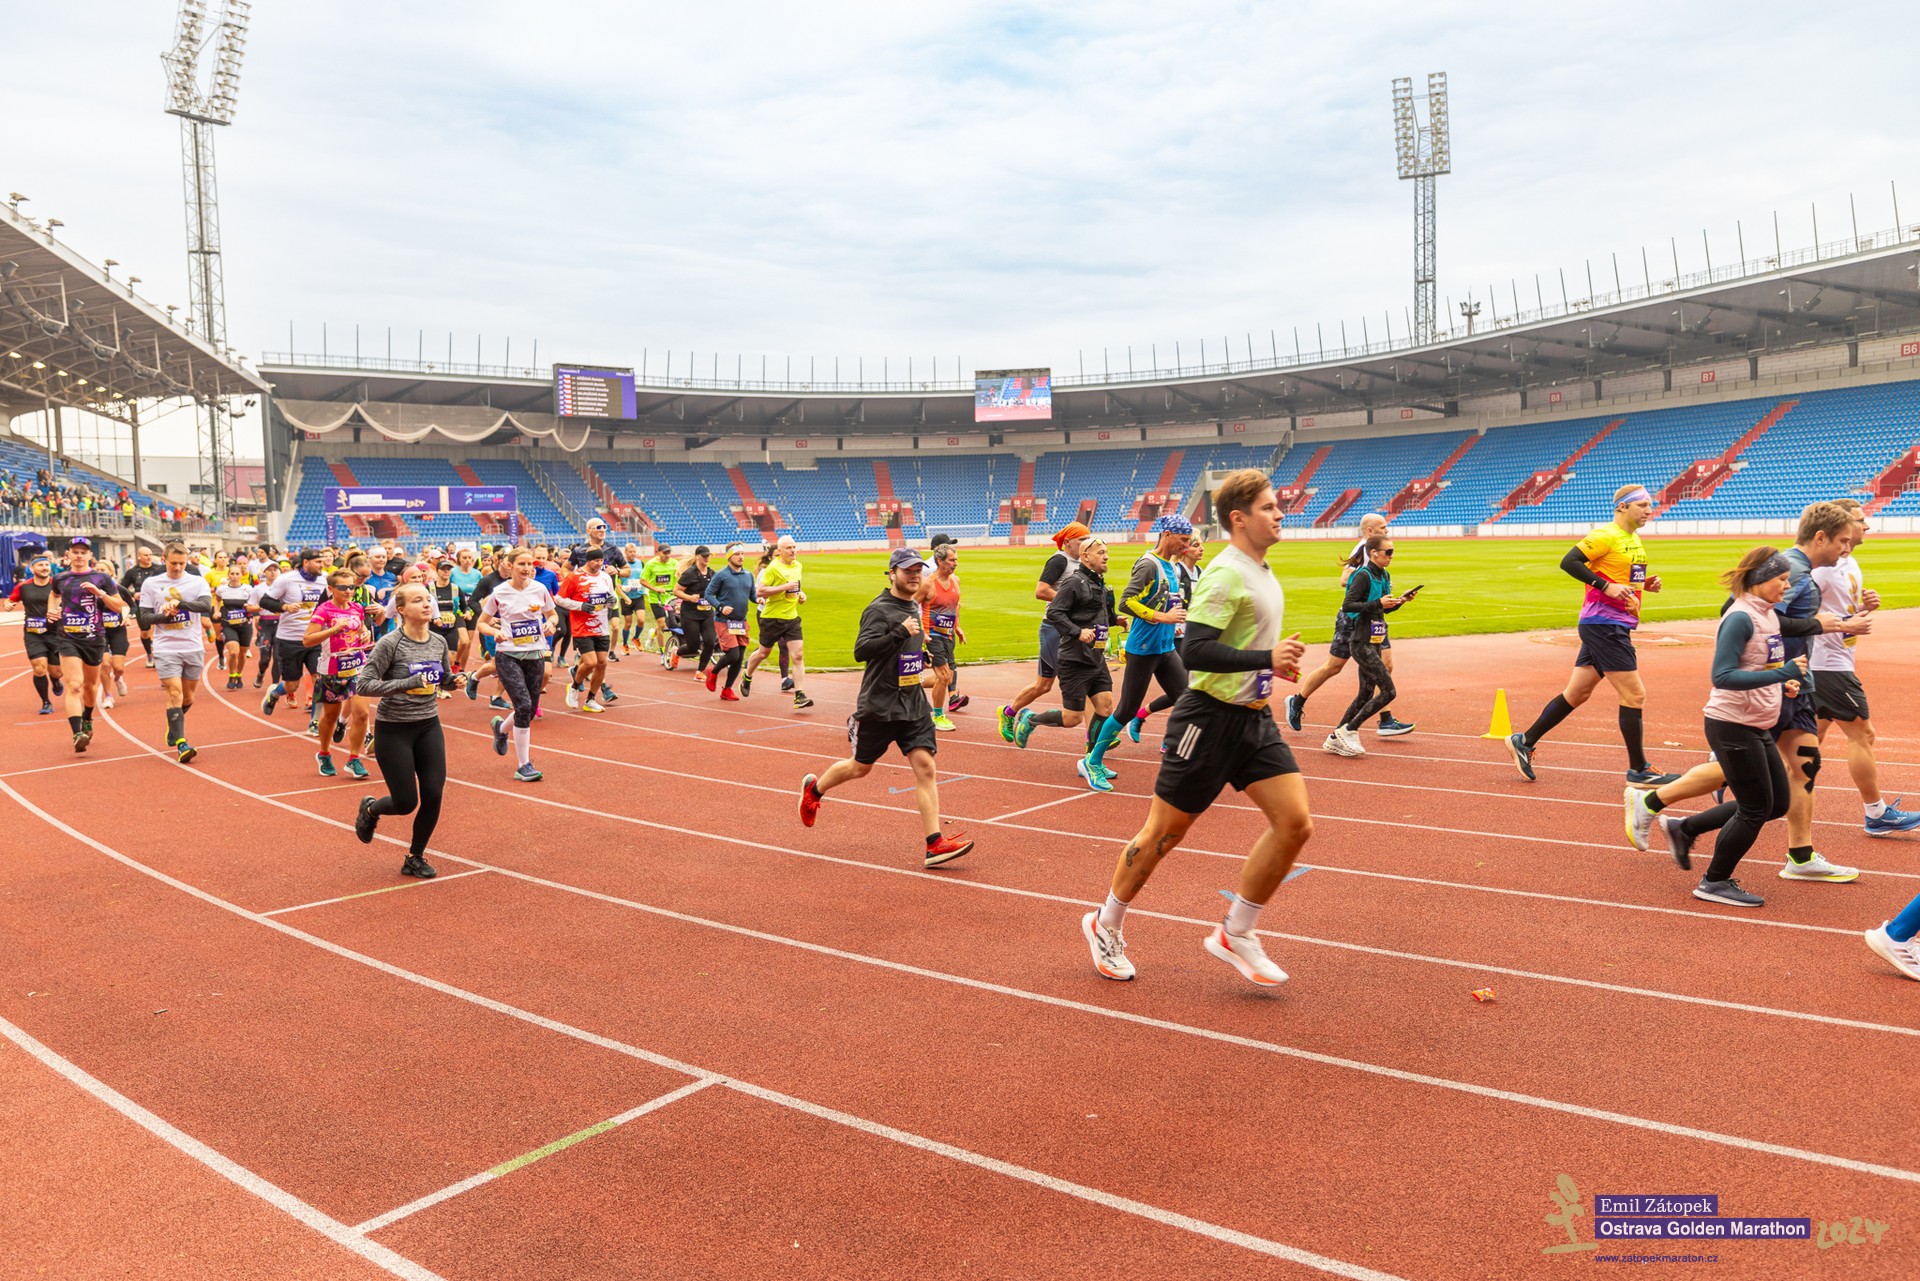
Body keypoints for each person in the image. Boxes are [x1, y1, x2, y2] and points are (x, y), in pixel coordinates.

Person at [1079, 469, 1307, 986]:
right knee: (1164, 834)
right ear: (1239, 518)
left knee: (1295, 822)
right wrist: (1266, 657)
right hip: (1207, 719)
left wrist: (1269, 666)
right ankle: (1105, 922)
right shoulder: (1225, 574)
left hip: (1254, 717)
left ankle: (1236, 932)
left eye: (1277, 506)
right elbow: (1197, 651)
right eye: (1269, 507)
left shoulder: (1261, 569)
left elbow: (1239, 646)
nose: (1279, 514)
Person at [798, 547, 974, 867]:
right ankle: (815, 790)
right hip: (881, 704)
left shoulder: (913, 606)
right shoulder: (878, 610)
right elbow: (861, 651)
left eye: (918, 570)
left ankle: (934, 844)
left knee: (926, 767)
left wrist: (921, 656)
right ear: (892, 574)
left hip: (913, 704)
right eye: (907, 570)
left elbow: (905, 651)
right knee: (859, 767)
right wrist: (899, 633)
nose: (914, 575)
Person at [1656, 548, 1807, 908]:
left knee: (1777, 803)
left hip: (1754, 722)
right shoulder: (1740, 617)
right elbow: (1722, 676)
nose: (1787, 586)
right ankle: (1714, 881)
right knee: (1755, 808)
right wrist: (1783, 673)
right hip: (1732, 724)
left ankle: (1685, 828)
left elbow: (1756, 665)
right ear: (1760, 580)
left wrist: (1782, 680)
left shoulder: (1767, 615)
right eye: (1781, 579)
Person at [1507, 485, 1677, 787]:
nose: (1649, 510)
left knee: (1577, 693)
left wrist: (1644, 586)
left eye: (1650, 505)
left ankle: (1524, 741)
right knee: (1634, 694)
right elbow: (1569, 561)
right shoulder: (1605, 535)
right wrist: (1605, 586)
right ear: (1622, 507)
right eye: (1642, 505)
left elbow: (1627, 579)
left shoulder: (1634, 540)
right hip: (1604, 624)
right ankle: (1638, 769)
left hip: (1613, 623)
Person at [1812, 499, 1920, 835]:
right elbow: (1798, 617)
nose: (1867, 526)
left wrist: (1863, 608)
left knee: (1810, 737)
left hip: (1834, 661)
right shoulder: (1821, 570)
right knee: (1863, 734)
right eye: (1860, 521)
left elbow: (1842, 613)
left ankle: (1728, 773)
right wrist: (1847, 624)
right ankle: (1876, 812)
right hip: (1827, 666)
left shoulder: (1849, 563)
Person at [1284, 513, 1415, 738]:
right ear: (1370, 531)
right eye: (1383, 527)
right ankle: (1297, 701)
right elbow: (1344, 579)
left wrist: (1391, 594)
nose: (1387, 531)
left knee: (1385, 665)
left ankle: (1384, 719)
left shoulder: (1379, 559)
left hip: (1374, 618)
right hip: (1354, 619)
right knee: (1334, 666)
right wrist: (1365, 581)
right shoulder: (1363, 549)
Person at [352, 582, 450, 879]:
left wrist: (452, 682)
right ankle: (371, 810)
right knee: (406, 802)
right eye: (418, 600)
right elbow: (364, 685)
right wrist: (407, 683)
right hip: (394, 729)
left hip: (428, 725)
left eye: (428, 599)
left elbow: (441, 678)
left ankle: (414, 857)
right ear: (402, 610)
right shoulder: (390, 643)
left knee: (433, 793)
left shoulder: (438, 641)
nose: (427, 604)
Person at [1086, 516, 1191, 777]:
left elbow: (1161, 600)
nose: (1187, 546)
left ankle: (1183, 753)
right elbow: (1126, 602)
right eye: (1184, 540)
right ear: (1167, 535)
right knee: (1126, 710)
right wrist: (1163, 617)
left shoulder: (1171, 565)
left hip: (1165, 647)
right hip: (1143, 648)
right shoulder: (1148, 564)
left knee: (1187, 700)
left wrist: (1176, 617)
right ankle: (1092, 761)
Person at [1016, 538, 1118, 779]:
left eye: (1106, 552)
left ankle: (1092, 761)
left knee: (1105, 707)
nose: (1106, 556)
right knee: (1072, 718)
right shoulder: (1074, 582)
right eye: (1100, 552)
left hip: (1096, 657)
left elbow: (1096, 614)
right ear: (1085, 556)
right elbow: (1054, 612)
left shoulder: (1100, 583)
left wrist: (1116, 621)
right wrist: (1077, 632)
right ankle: (1031, 720)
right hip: (1074, 660)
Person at [1322, 535, 1414, 758]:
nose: (1391, 556)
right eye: (1388, 552)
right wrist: (1378, 603)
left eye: (1393, 552)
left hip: (1375, 641)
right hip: (1360, 641)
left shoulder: (1384, 575)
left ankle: (1335, 737)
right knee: (1389, 691)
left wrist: (1400, 602)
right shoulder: (1363, 575)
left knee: (1365, 693)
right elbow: (1348, 605)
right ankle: (1349, 730)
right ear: (1374, 553)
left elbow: (1381, 609)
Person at [999, 521, 1088, 742]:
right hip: (1054, 628)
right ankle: (1008, 713)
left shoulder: (1084, 563)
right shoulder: (1059, 560)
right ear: (1068, 542)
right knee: (1044, 684)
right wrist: (1069, 600)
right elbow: (1041, 591)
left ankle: (1094, 735)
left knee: (1086, 679)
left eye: (1088, 539)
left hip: (1075, 629)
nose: (1086, 544)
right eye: (1082, 540)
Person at [478, 547, 557, 783]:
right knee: (522, 705)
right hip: (508, 654)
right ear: (509, 566)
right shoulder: (499, 592)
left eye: (529, 564)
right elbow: (482, 623)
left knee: (529, 710)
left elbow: (552, 614)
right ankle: (523, 765)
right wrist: (495, 632)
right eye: (521, 564)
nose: (527, 568)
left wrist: (551, 624)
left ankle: (501, 729)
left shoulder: (539, 589)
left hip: (534, 653)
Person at [47, 538, 128, 753]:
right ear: (69, 554)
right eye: (75, 552)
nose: (79, 556)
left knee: (91, 688)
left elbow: (119, 606)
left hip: (94, 639)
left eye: (83, 552)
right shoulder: (60, 578)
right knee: (74, 685)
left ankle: (88, 718)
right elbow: (54, 595)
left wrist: (99, 593)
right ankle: (77, 734)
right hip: (67, 638)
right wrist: (51, 611)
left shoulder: (102, 578)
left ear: (90, 555)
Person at [136, 543, 213, 763]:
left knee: (188, 698)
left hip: (192, 646)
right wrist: (165, 616)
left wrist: (181, 605)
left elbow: (206, 606)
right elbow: (144, 618)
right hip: (166, 648)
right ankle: (182, 743)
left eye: (181, 563)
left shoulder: (197, 581)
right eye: (173, 563)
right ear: (164, 559)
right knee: (175, 693)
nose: (177, 568)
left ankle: (173, 724)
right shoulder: (151, 583)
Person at [303, 570, 373, 779]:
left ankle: (354, 759)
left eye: (352, 587)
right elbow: (308, 640)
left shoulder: (357, 608)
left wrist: (364, 634)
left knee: (362, 713)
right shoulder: (323, 611)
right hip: (332, 669)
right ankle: (324, 753)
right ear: (331, 589)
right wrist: (333, 630)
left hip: (357, 666)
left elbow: (360, 630)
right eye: (343, 587)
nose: (348, 591)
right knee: (331, 717)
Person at [259, 548, 330, 721]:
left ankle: (315, 721)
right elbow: (264, 601)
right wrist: (285, 607)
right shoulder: (286, 579)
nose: (322, 565)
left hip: (314, 637)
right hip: (290, 639)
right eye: (318, 562)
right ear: (306, 562)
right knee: (292, 685)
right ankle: (275, 693)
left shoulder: (325, 579)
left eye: (323, 562)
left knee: (319, 679)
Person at [743, 535, 811, 709]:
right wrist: (783, 588)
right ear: (780, 551)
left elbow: (795, 587)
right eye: (789, 548)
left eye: (794, 547)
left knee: (798, 655)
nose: (793, 550)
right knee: (763, 653)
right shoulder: (773, 568)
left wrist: (800, 595)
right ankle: (747, 675)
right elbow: (760, 591)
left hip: (792, 618)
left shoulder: (798, 565)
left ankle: (799, 695)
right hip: (772, 618)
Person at [556, 545, 615, 712]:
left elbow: (611, 596)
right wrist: (580, 606)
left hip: (601, 626)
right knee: (590, 663)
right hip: (582, 626)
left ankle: (590, 700)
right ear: (588, 561)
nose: (599, 564)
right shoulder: (575, 577)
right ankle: (574, 686)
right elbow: (559, 599)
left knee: (602, 663)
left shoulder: (605, 577)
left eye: (601, 560)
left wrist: (612, 601)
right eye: (596, 560)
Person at [4, 553, 63, 714]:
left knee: (57, 671)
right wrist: (8, 605)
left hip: (56, 633)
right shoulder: (23, 587)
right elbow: (10, 600)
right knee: (39, 668)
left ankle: (56, 680)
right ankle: (46, 702)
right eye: (40, 565)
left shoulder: (57, 585)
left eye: (46, 565)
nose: (44, 568)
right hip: (33, 633)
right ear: (32, 568)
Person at [914, 543, 962, 730]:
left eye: (956, 560)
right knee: (944, 676)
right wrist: (922, 632)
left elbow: (956, 606)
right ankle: (938, 716)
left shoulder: (956, 581)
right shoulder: (928, 584)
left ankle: (910, 683)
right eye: (951, 560)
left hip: (947, 634)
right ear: (940, 561)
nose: (955, 563)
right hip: (931, 635)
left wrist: (957, 627)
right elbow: (911, 606)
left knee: (946, 677)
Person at [702, 543, 756, 701]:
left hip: (741, 622)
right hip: (724, 621)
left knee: (739, 658)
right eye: (737, 554)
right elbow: (708, 594)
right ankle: (713, 671)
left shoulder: (748, 575)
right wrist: (720, 606)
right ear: (729, 557)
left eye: (742, 554)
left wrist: (759, 599)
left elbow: (752, 595)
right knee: (733, 655)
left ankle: (727, 690)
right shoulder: (721, 575)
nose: (741, 557)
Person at [674, 546, 717, 675]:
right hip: (690, 614)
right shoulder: (690, 574)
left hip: (707, 613)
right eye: (704, 556)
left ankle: (700, 671)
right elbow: (676, 591)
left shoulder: (712, 574)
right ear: (697, 556)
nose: (706, 558)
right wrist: (690, 598)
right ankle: (676, 652)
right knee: (693, 647)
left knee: (710, 642)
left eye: (708, 555)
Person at [118, 546, 163, 666]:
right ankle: (149, 654)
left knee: (160, 628)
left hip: (158, 603)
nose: (149, 557)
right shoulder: (132, 572)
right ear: (139, 557)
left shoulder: (159, 569)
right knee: (145, 632)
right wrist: (134, 594)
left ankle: (160, 654)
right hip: (141, 604)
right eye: (146, 555)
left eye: (150, 555)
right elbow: (122, 588)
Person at [214, 568, 255, 691]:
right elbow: (217, 599)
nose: (235, 576)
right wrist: (216, 611)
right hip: (228, 624)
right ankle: (232, 675)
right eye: (232, 574)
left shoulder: (248, 589)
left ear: (241, 575)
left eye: (237, 574)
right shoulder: (222, 589)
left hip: (245, 625)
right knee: (233, 652)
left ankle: (239, 674)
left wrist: (250, 607)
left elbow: (255, 603)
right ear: (228, 575)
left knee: (242, 653)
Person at [429, 559, 465, 694]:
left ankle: (443, 685)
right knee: (435, 657)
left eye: (448, 569)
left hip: (450, 628)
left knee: (451, 656)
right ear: (437, 571)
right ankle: (435, 684)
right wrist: (433, 618)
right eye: (443, 569)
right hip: (433, 628)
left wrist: (467, 613)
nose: (446, 571)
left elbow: (464, 606)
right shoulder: (429, 588)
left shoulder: (455, 588)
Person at [641, 541, 680, 664]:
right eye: (665, 553)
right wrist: (655, 589)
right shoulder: (651, 564)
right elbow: (643, 580)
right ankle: (663, 653)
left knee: (671, 624)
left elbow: (680, 576)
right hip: (656, 598)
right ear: (658, 553)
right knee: (662, 624)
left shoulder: (674, 563)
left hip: (671, 598)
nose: (667, 555)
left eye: (669, 553)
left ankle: (653, 633)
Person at [249, 561, 280, 687]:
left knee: (278, 657)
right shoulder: (258, 589)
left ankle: (274, 685)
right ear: (264, 572)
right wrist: (263, 607)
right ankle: (261, 673)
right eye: (269, 570)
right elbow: (250, 607)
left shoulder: (283, 587)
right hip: (265, 624)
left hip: (280, 624)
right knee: (265, 658)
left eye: (275, 570)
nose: (273, 572)